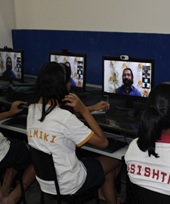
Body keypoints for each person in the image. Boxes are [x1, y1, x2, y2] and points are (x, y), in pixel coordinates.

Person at [26, 62, 122, 204]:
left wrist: (90, 108)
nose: (70, 84)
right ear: (63, 86)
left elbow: (63, 122)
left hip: (47, 182)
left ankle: (103, 192)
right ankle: (108, 195)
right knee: (117, 157)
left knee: (102, 167)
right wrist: (83, 110)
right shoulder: (64, 118)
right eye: (68, 81)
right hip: (70, 183)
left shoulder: (32, 109)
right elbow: (103, 142)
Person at [0, 101, 36, 204]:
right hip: (3, 152)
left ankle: (3, 191)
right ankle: (13, 198)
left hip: (5, 153)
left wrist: (10, 113)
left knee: (16, 151)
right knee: (38, 155)